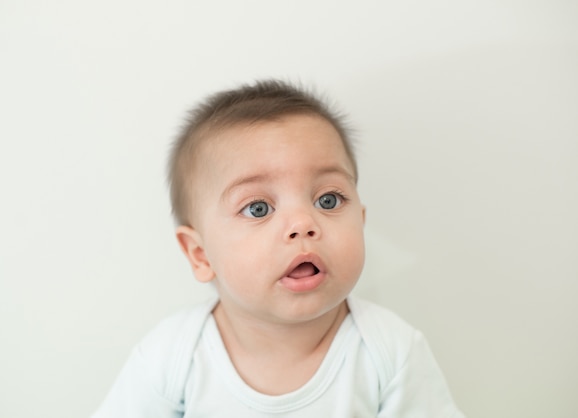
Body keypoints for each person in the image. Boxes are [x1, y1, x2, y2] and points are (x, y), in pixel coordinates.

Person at [92, 80, 465, 417]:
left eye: (329, 200)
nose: (303, 223)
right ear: (200, 255)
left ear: (361, 221)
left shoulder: (389, 352)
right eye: (258, 208)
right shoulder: (171, 359)